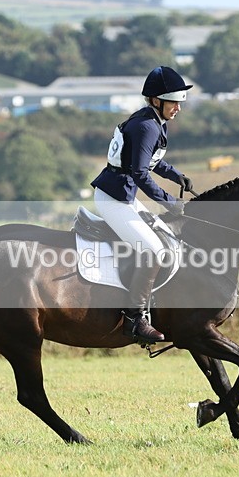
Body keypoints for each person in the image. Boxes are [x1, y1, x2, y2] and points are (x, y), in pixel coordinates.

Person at [90, 66, 195, 344]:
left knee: (163, 238)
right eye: (174, 102)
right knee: (153, 250)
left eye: (179, 103)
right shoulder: (148, 125)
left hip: (122, 194)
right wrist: (169, 202)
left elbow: (153, 161)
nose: (178, 109)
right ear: (157, 100)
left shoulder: (153, 121)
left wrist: (177, 176)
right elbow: (140, 173)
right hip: (114, 198)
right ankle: (135, 319)